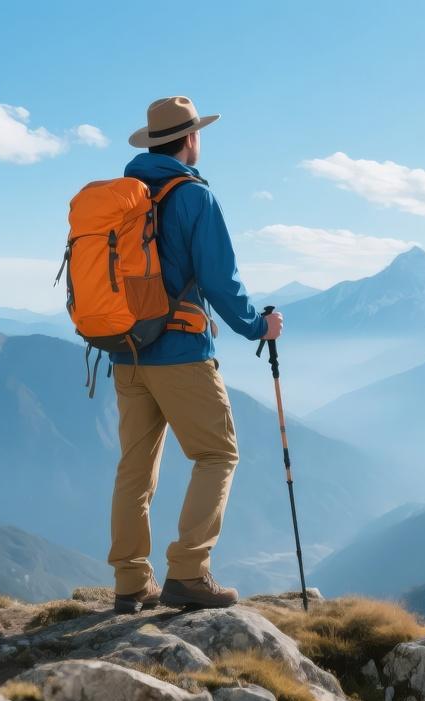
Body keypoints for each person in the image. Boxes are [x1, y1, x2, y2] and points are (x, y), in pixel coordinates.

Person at [108, 96, 283, 615]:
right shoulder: (193, 196)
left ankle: (130, 582)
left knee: (135, 468)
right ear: (189, 139)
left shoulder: (126, 196)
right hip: (181, 352)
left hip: (125, 350)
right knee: (217, 455)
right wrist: (259, 326)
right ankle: (188, 572)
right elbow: (219, 279)